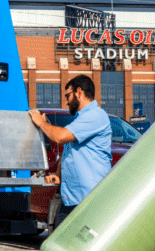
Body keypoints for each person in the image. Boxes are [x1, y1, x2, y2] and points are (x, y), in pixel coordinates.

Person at [28, 75, 112, 226]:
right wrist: (58, 175)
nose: (66, 101)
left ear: (79, 92)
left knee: (81, 247)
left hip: (89, 200)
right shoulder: (81, 118)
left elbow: (59, 137)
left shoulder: (95, 116)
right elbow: (68, 151)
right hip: (72, 199)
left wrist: (41, 123)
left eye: (68, 95)